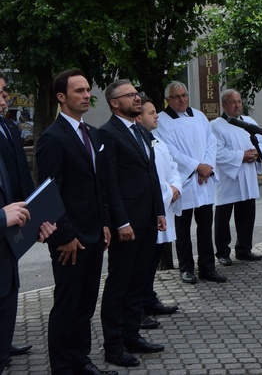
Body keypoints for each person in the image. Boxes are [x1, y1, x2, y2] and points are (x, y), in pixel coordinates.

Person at [36, 68, 117, 375]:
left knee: (85, 304)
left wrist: (106, 222)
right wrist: (64, 235)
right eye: (79, 91)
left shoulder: (92, 133)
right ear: (61, 97)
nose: (86, 96)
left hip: (95, 233)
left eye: (87, 90)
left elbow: (100, 185)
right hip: (70, 238)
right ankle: (63, 366)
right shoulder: (52, 139)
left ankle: (80, 360)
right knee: (67, 305)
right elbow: (49, 192)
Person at [98, 80, 167, 368]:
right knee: (120, 284)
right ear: (115, 103)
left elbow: (151, 174)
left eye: (137, 94)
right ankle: (113, 345)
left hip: (147, 219)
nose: (137, 98)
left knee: (138, 282)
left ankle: (132, 335)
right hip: (126, 225)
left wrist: (159, 210)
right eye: (130, 95)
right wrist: (120, 222)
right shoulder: (107, 134)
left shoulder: (140, 130)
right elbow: (109, 182)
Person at [153, 81, 225, 284]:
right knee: (182, 228)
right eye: (177, 97)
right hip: (184, 180)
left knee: (205, 226)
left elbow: (211, 142)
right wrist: (195, 166)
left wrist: (207, 166)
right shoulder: (162, 121)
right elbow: (169, 151)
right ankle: (186, 268)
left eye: (184, 95)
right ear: (168, 99)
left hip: (204, 179)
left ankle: (207, 268)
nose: (182, 99)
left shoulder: (200, 116)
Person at [0, 74, 37, 357]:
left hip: (13, 218)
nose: (5, 99)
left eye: (5, 92)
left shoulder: (9, 127)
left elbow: (20, 174)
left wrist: (33, 211)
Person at [136, 98, 181, 322]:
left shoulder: (158, 140)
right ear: (138, 117)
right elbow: (147, 176)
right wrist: (166, 191)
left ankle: (149, 298)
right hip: (152, 208)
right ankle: (139, 306)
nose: (157, 116)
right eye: (151, 112)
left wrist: (176, 186)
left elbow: (172, 166)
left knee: (153, 259)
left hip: (165, 206)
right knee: (143, 263)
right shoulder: (138, 143)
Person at [210, 89, 262, 266]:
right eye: (233, 102)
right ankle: (222, 252)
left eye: (239, 101)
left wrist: (257, 153)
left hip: (248, 174)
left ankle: (244, 249)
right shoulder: (215, 125)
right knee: (223, 218)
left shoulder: (249, 122)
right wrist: (241, 156)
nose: (237, 105)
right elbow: (217, 152)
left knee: (247, 215)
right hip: (228, 177)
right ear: (224, 105)